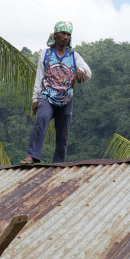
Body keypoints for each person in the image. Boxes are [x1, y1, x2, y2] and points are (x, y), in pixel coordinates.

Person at [20, 20, 91, 165]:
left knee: (63, 130)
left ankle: (58, 162)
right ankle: (32, 156)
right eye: (63, 33)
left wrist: (81, 71)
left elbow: (88, 72)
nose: (66, 37)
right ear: (56, 35)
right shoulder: (45, 54)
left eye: (68, 34)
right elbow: (39, 77)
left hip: (66, 98)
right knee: (42, 118)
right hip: (47, 96)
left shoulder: (74, 56)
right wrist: (35, 99)